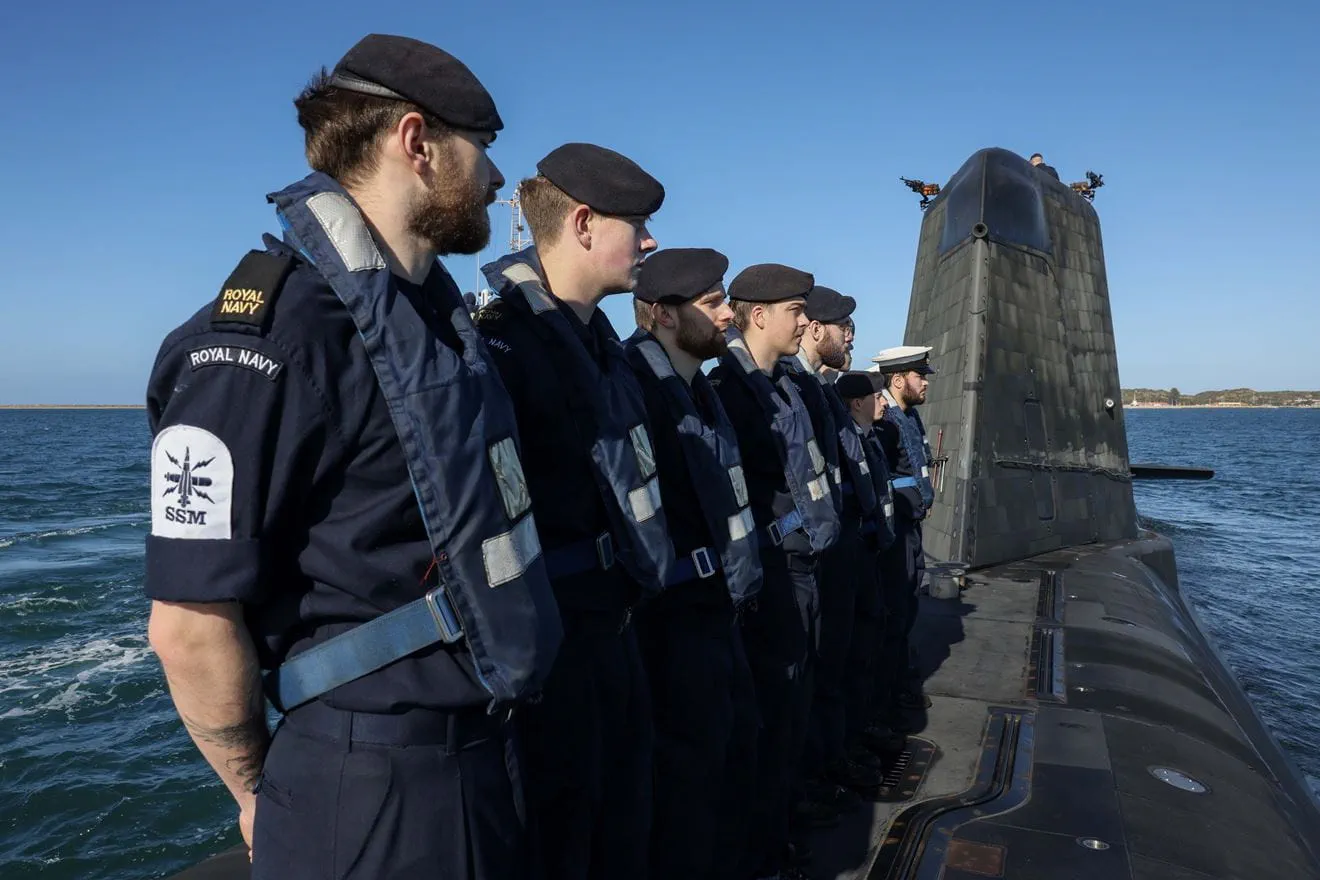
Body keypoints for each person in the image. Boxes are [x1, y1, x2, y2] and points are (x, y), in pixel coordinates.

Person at [143, 34, 562, 880]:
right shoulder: (269, 341)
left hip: (486, 750)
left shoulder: (436, 326)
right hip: (365, 785)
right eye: (481, 151)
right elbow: (187, 627)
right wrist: (260, 792)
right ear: (417, 142)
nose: (492, 179)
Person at [475, 143, 672, 880]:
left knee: (624, 826)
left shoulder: (604, 348)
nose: (650, 242)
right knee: (563, 843)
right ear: (584, 224)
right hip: (553, 652)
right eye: (639, 224)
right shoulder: (501, 346)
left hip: (616, 625)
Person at [623, 247, 762, 880]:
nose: (729, 314)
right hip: (668, 622)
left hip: (715, 612)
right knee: (680, 779)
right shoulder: (635, 390)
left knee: (729, 757)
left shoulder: (700, 390)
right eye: (711, 303)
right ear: (663, 315)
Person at [709, 264, 840, 880]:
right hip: (769, 578)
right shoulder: (730, 393)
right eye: (794, 311)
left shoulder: (783, 388)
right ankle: (756, 854)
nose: (805, 323)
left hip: (797, 567)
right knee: (769, 715)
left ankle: (774, 835)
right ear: (758, 315)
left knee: (791, 712)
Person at [783, 287, 887, 806]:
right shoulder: (793, 389)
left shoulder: (817, 391)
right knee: (818, 665)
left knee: (842, 655)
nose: (850, 335)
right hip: (812, 550)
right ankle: (816, 769)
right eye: (843, 325)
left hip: (838, 540)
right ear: (818, 328)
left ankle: (834, 750)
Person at [833, 372, 905, 757]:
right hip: (857, 557)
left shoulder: (871, 440)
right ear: (858, 402)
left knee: (871, 645)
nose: (884, 401)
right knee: (854, 655)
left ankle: (866, 725)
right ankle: (848, 742)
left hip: (874, 554)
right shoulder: (849, 444)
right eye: (878, 396)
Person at [871, 345, 938, 726]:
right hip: (895, 528)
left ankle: (900, 680)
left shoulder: (910, 417)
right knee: (895, 607)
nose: (925, 383)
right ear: (898, 380)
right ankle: (893, 688)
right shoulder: (884, 422)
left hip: (911, 526)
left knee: (909, 601)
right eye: (920, 376)